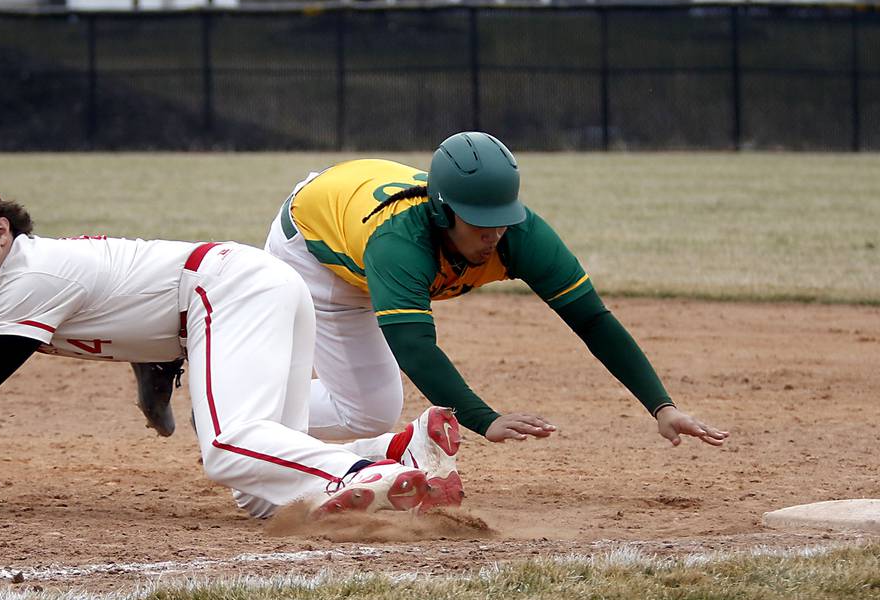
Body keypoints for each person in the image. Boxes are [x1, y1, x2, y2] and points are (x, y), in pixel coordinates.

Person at [0, 170, 468, 519]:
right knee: (256, 491)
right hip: (238, 290)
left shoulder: (31, 272)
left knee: (227, 448)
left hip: (228, 289)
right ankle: (396, 448)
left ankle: (362, 471)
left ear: (2, 227)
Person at [263, 131, 730, 483]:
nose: (494, 235)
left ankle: (259, 409)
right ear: (444, 213)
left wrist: (661, 406)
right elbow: (415, 347)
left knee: (372, 407)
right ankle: (251, 413)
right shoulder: (400, 246)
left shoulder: (520, 235)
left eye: (502, 221)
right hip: (314, 249)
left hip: (354, 205)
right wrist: (485, 419)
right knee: (368, 411)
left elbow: (591, 319)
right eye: (481, 223)